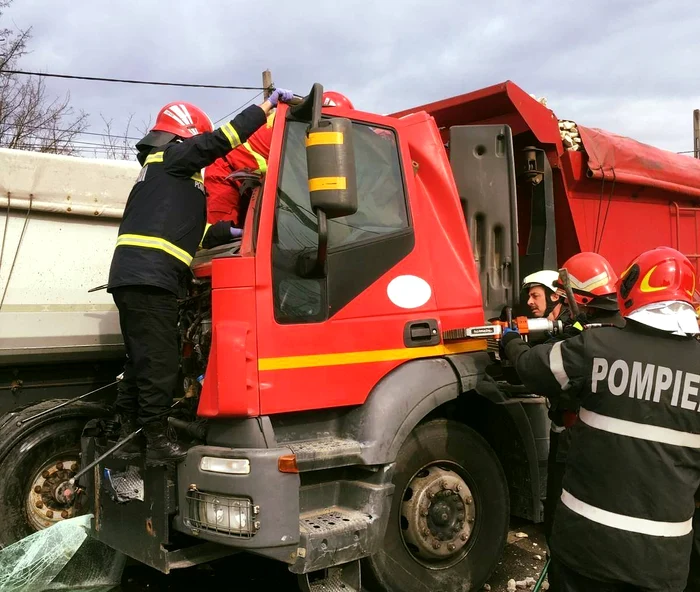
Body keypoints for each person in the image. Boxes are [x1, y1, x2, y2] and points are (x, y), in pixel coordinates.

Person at [107, 88, 294, 462]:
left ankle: (123, 434)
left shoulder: (163, 179)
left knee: (141, 362)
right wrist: (266, 107)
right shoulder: (172, 159)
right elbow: (222, 140)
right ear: (184, 136)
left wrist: (231, 232)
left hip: (137, 278)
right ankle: (158, 443)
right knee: (161, 366)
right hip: (150, 278)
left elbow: (192, 233)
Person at [501, 246, 700, 592]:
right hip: (661, 565)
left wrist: (510, 343)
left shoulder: (596, 347)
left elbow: (531, 369)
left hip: (586, 551)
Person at [542, 252, 624, 544]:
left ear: (583, 299)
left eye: (566, 299)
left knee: (563, 519)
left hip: (575, 440)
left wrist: (516, 349)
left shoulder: (586, 338)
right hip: (609, 449)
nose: (563, 306)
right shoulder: (622, 328)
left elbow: (541, 369)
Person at [203, 91, 354, 240]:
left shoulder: (297, 124)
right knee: (222, 236)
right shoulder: (299, 130)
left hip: (252, 182)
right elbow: (308, 181)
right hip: (226, 174)